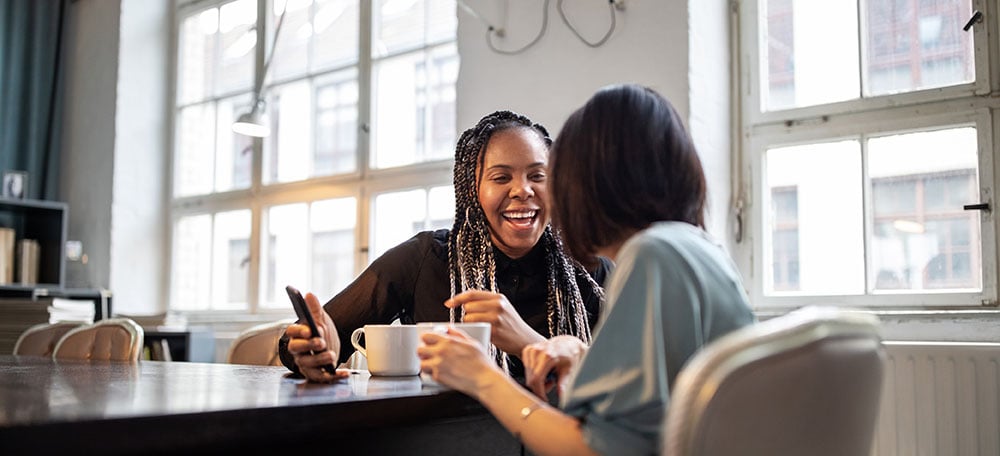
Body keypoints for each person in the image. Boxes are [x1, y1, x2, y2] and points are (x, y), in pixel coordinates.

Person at [417, 84, 757, 455]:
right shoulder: (701, 250)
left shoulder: (651, 256)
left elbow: (595, 450)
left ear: (588, 182)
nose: (533, 192)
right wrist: (573, 358)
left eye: (547, 176)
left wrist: (481, 376)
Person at [280, 110, 612, 383]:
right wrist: (313, 351)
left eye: (537, 176)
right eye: (501, 178)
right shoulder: (426, 258)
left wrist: (525, 338)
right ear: (472, 191)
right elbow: (313, 345)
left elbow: (624, 388)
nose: (522, 190)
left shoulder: (590, 269)